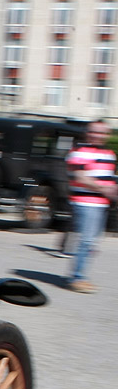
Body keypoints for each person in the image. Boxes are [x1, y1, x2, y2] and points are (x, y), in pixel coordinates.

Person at [64, 120, 116, 293]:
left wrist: (111, 189)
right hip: (85, 202)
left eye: (101, 133)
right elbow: (80, 177)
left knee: (92, 243)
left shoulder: (109, 153)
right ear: (87, 133)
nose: (97, 135)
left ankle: (80, 274)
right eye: (94, 132)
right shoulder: (79, 151)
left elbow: (107, 177)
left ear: (107, 135)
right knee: (86, 241)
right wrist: (104, 189)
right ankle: (77, 278)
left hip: (101, 204)